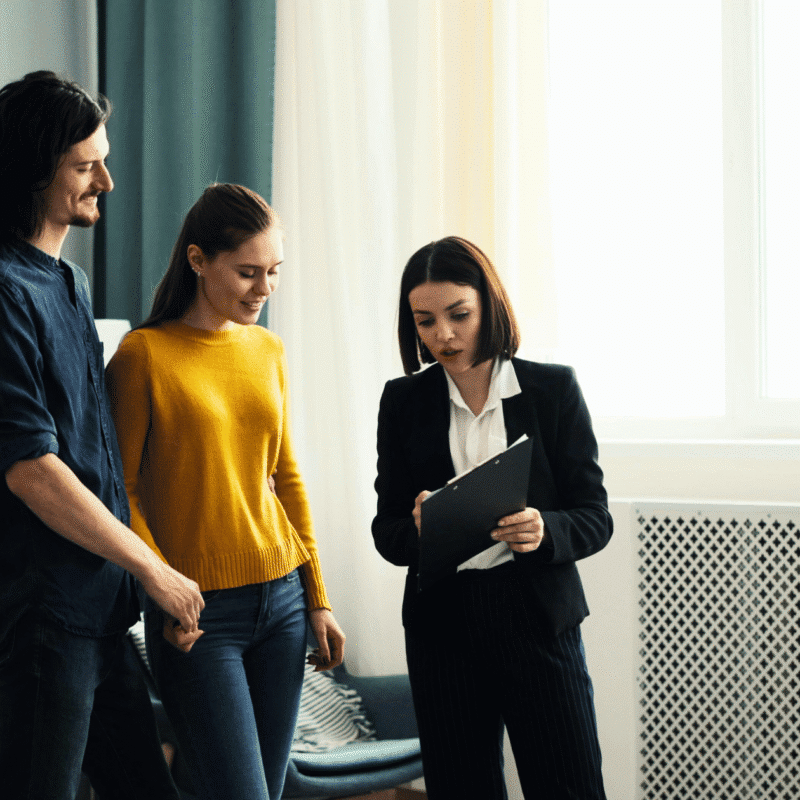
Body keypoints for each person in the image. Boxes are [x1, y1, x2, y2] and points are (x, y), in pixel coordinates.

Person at [106, 182, 346, 800]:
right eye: (246, 272)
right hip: (201, 615)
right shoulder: (144, 356)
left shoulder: (267, 350)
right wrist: (165, 588)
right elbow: (120, 492)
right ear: (197, 260)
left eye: (273, 272)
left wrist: (316, 595)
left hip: (283, 599)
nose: (263, 290)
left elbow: (285, 476)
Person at [0, 71, 204, 799]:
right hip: (43, 620)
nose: (107, 181)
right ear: (34, 170)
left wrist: (141, 583)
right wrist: (154, 569)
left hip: (100, 612)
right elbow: (30, 468)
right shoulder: (3, 290)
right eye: (87, 165)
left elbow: (98, 458)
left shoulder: (71, 284)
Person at [372, 236, 612, 799]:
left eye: (459, 315)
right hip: (444, 625)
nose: (442, 336)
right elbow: (388, 534)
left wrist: (544, 529)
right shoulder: (403, 402)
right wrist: (420, 528)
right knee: (462, 788)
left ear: (490, 305)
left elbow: (594, 516)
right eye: (425, 321)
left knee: (569, 784)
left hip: (535, 614)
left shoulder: (551, 389)